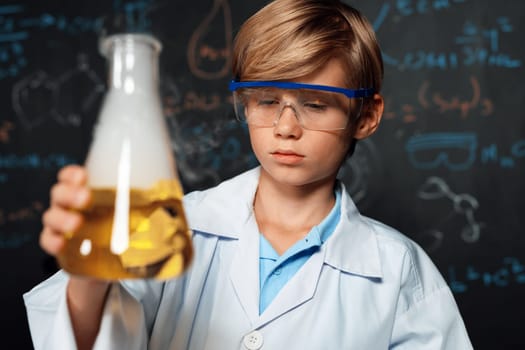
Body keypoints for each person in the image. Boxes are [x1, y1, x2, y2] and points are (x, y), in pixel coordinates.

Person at [24, 0, 473, 349]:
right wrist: (88, 273)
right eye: (265, 100)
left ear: (366, 115)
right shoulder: (172, 226)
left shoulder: (399, 272)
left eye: (315, 104)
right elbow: (86, 339)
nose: (285, 127)